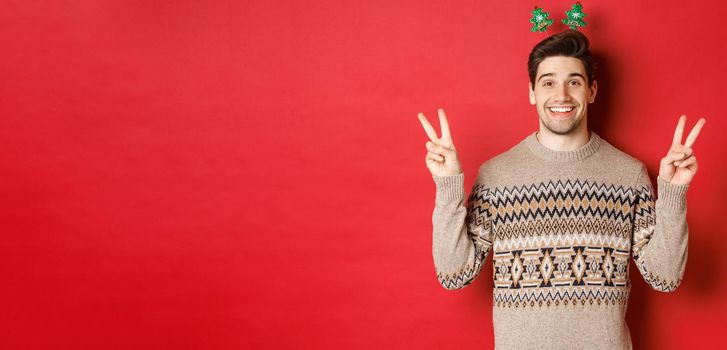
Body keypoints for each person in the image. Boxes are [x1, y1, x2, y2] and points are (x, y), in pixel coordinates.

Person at [417, 30, 706, 349]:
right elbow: (453, 275)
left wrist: (672, 194)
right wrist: (446, 185)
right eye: (548, 82)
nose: (562, 96)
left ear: (592, 91)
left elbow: (665, 277)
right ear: (532, 92)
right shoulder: (496, 176)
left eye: (574, 81)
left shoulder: (628, 175)